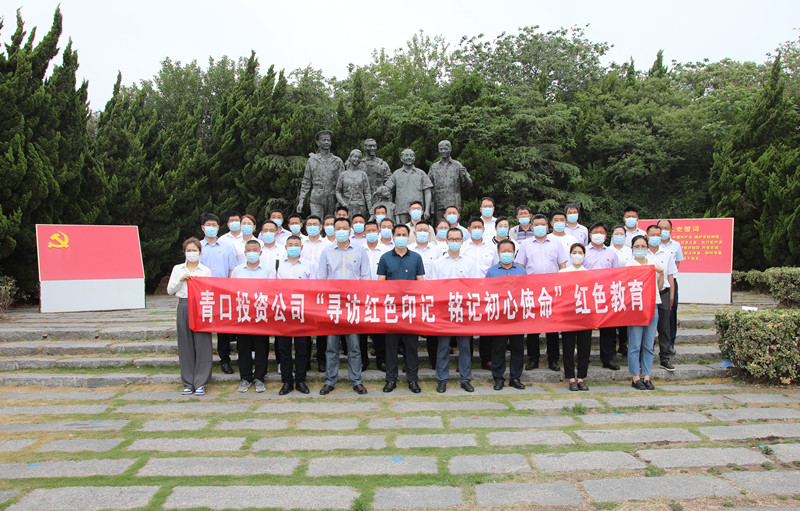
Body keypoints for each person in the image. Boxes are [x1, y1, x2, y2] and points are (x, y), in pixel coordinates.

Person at [317, 216, 371, 395]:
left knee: (354, 346)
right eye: (337, 228)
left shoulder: (360, 250)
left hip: (352, 304)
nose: (341, 231)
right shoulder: (326, 251)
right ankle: (330, 380)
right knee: (331, 346)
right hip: (333, 304)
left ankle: (356, 380)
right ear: (333, 230)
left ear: (350, 230)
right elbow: (321, 278)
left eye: (344, 228)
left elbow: (365, 277)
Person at [429, 228, 480, 393]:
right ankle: (442, 379)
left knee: (465, 346)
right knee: (443, 346)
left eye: (457, 239)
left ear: (462, 241)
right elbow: (433, 288)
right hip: (444, 311)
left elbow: (475, 287)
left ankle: (465, 378)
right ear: (446, 241)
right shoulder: (438, 263)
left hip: (463, 311)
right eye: (451, 239)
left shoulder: (469, 263)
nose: (454, 242)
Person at [515, 213, 567, 371]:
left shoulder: (556, 243)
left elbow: (562, 266)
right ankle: (533, 359)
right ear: (532, 227)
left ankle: (553, 360)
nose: (540, 227)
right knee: (533, 327)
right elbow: (520, 266)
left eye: (542, 224)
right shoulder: (525, 244)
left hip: (552, 290)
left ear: (547, 226)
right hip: (532, 290)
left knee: (552, 328)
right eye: (536, 224)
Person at [378, 224, 426, 393]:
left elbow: (420, 283)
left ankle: (412, 379)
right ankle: (391, 379)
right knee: (391, 347)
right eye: (398, 234)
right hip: (391, 309)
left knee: (411, 346)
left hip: (410, 309)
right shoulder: (385, 258)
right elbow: (380, 284)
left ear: (408, 236)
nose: (401, 237)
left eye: (404, 234)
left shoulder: (416, 258)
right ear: (393, 237)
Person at [167, 237, 213, 396]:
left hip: (200, 306)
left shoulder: (205, 270)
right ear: (184, 252)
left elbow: (209, 291)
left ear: (200, 252)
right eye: (189, 250)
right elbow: (170, 290)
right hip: (184, 305)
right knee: (185, 344)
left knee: (202, 344)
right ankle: (188, 382)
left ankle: (201, 382)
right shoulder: (177, 269)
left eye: (194, 250)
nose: (192, 253)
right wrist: (181, 280)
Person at [231, 240, 275, 394]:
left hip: (261, 313)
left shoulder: (268, 270)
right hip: (243, 313)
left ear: (260, 252)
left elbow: (273, 291)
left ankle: (259, 377)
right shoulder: (237, 271)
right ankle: (245, 377)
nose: (252, 252)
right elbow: (231, 290)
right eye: (249, 250)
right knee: (243, 347)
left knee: (261, 346)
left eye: (254, 250)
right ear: (244, 253)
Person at [198, 213, 238, 375]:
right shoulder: (197, 247)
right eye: (208, 225)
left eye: (214, 225)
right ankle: (203, 359)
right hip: (203, 293)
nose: (211, 228)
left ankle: (224, 359)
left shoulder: (226, 247)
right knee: (203, 327)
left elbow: (232, 269)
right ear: (203, 228)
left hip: (222, 293)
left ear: (218, 227)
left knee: (223, 328)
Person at [274, 235, 315, 395]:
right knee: (283, 349)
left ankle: (300, 380)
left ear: (301, 248)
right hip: (283, 313)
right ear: (285, 247)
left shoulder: (308, 265)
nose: (293, 247)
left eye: (296, 245)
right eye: (290, 245)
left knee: (302, 348)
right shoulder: (277, 265)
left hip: (302, 312)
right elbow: (271, 287)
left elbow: (313, 287)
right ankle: (287, 381)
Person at [485, 239, 526, 391]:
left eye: (509, 251)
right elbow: (487, 293)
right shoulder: (492, 272)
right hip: (499, 316)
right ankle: (498, 378)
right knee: (498, 348)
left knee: (517, 348)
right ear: (498, 253)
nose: (506, 253)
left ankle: (515, 377)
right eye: (503, 251)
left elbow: (526, 291)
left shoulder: (521, 271)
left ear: (514, 253)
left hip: (517, 316)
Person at [582, 222, 621, 371]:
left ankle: (608, 358)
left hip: (606, 295)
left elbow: (616, 275)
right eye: (595, 232)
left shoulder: (611, 253)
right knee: (586, 329)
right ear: (590, 235)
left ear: (606, 236)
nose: (598, 235)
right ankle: (584, 357)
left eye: (601, 232)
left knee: (608, 329)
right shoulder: (583, 251)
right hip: (587, 294)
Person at [462, 216, 499, 369]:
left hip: (487, 291)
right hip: (468, 291)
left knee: (486, 326)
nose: (477, 230)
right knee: (467, 326)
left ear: (484, 229)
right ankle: (466, 359)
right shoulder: (463, 247)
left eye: (479, 227)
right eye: (474, 227)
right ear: (469, 229)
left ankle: (486, 358)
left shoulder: (491, 247)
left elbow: (496, 268)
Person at [627, 234, 664, 390]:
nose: (640, 249)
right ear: (632, 248)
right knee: (635, 344)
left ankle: (647, 376)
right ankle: (635, 377)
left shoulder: (653, 263)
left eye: (643, 246)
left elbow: (659, 287)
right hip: (636, 308)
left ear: (647, 248)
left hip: (651, 306)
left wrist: (661, 273)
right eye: (637, 246)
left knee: (649, 344)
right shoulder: (629, 265)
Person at [409, 220, 442, 369]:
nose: (422, 233)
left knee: (432, 329)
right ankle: (410, 361)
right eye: (419, 230)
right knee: (412, 329)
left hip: (432, 294)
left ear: (429, 233)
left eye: (425, 230)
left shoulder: (436, 250)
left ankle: (434, 360)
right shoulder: (409, 249)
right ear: (414, 233)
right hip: (413, 294)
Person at [645, 224, 678, 372]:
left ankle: (665, 357)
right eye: (652, 235)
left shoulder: (667, 254)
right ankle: (646, 356)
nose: (655, 237)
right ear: (647, 236)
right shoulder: (642, 254)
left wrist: (671, 296)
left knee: (664, 327)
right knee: (647, 326)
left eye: (658, 235)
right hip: (647, 295)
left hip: (663, 293)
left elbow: (671, 277)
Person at [559, 242, 592, 391]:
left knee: (585, 348)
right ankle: (571, 377)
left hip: (585, 315)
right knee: (568, 347)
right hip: (568, 316)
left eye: (580, 252)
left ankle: (581, 377)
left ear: (584, 255)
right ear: (570, 255)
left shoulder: (589, 274)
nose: (577, 255)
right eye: (574, 252)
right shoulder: (563, 273)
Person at [361, 220, 390, 372]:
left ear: (379, 232)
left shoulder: (386, 251)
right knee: (362, 331)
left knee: (380, 331)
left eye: (374, 230)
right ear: (364, 233)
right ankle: (362, 360)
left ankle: (382, 359)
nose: (371, 233)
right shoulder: (359, 250)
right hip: (362, 295)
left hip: (381, 295)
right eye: (368, 231)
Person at [297, 129, 344, 217]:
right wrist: (301, 201)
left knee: (330, 222)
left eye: (328, 140)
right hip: (317, 197)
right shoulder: (312, 160)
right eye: (324, 140)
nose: (326, 142)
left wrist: (342, 201)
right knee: (316, 221)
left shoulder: (337, 161)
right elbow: (306, 181)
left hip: (332, 198)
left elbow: (342, 183)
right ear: (319, 142)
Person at [385, 148, 433, 224]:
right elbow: (387, 190)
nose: (409, 158)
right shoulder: (396, 174)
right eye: (406, 155)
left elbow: (427, 192)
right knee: (402, 230)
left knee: (418, 229)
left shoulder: (421, 173)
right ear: (401, 158)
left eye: (411, 155)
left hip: (417, 210)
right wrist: (390, 208)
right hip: (401, 210)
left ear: (414, 158)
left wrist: (427, 210)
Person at [429, 139, 472, 222]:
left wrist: (465, 176)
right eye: (441, 149)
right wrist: (431, 207)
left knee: (454, 228)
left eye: (445, 149)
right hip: (439, 206)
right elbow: (429, 188)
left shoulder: (457, 165)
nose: (443, 151)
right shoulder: (434, 167)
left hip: (454, 205)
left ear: (450, 149)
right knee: (440, 228)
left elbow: (469, 185)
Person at [658, 219, 683, 355]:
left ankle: (670, 342)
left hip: (670, 282)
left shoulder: (676, 245)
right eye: (660, 228)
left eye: (666, 228)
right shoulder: (652, 244)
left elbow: (677, 264)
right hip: (655, 283)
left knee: (671, 311)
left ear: (671, 230)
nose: (663, 231)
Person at [609, 224, 632, 354]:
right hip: (611, 289)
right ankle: (611, 346)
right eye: (616, 234)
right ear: (612, 236)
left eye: (621, 234)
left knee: (624, 318)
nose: (619, 236)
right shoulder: (608, 250)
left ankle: (623, 344)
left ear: (625, 236)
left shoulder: (630, 251)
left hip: (626, 288)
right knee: (612, 319)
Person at [336, 149, 373, 219]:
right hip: (347, 206)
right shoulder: (343, 175)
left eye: (359, 158)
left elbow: (367, 193)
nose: (357, 159)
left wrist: (370, 209)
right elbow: (338, 191)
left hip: (360, 207)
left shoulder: (363, 174)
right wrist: (343, 203)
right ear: (350, 157)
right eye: (355, 157)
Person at [362, 138, 392, 203]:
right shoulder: (360, 165)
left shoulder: (383, 164)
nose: (372, 148)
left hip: (380, 198)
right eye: (370, 146)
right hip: (363, 199)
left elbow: (389, 182)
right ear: (365, 147)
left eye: (374, 146)